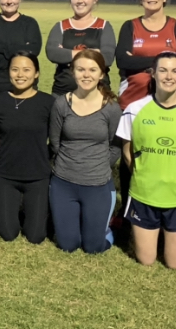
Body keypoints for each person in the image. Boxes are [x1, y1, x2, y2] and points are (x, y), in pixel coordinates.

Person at [117, 52, 176, 269]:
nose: (168, 76)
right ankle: (149, 232)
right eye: (163, 70)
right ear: (153, 74)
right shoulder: (135, 109)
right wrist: (145, 176)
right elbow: (127, 152)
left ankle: (167, 231)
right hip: (145, 193)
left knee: (175, 264)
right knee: (146, 260)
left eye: (174, 71)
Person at [114, 0, 176, 225]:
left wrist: (143, 60)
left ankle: (161, 210)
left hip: (167, 104)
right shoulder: (130, 26)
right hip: (131, 102)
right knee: (129, 158)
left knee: (160, 155)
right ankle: (128, 211)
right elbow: (122, 62)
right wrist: (162, 61)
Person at [49, 50, 122, 254]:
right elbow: (55, 142)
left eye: (92, 70)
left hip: (97, 184)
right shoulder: (61, 104)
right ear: (73, 72)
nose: (86, 75)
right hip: (64, 182)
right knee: (67, 245)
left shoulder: (111, 109)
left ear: (102, 74)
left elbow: (115, 146)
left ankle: (110, 229)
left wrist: (96, 166)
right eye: (81, 69)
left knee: (93, 248)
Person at [0, 52, 55, 244]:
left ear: (36, 74)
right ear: (8, 72)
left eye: (27, 70)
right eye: (15, 69)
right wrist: (1, 154)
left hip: (37, 176)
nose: (20, 75)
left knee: (35, 236)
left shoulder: (48, 102)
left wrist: (44, 157)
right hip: (5, 175)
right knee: (8, 234)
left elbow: (56, 139)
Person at [46, 0, 116, 96]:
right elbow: (52, 53)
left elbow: (107, 58)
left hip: (98, 93)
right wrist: (92, 53)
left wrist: (67, 53)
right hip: (63, 93)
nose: (80, 1)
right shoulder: (61, 26)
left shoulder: (104, 26)